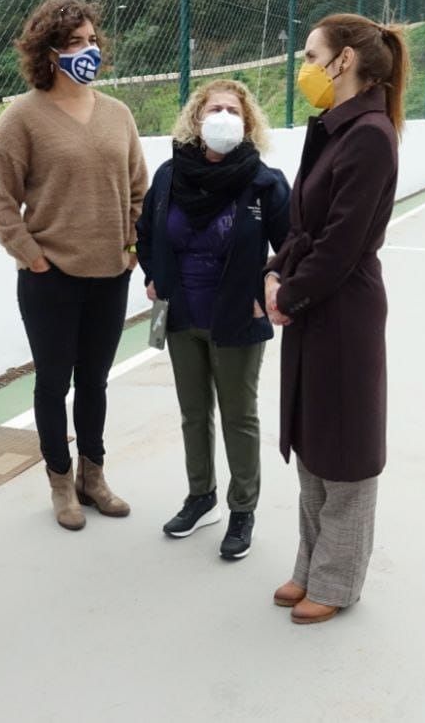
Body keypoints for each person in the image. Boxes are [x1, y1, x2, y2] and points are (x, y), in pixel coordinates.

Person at [0, 0, 147, 531]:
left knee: (95, 380)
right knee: (53, 382)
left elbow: (139, 190)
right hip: (50, 277)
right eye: (75, 43)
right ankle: (60, 483)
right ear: (48, 52)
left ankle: (92, 477)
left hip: (110, 274)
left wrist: (131, 247)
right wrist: (32, 259)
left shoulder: (118, 114)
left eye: (93, 40)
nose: (88, 51)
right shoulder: (21, 118)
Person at [264, 13, 407, 624]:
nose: (305, 66)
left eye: (310, 53)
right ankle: (310, 566)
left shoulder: (370, 134)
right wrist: (274, 273)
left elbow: (342, 245)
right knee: (315, 437)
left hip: (343, 306)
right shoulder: (332, 128)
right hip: (315, 301)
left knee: (344, 448)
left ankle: (338, 580)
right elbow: (303, 227)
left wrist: (287, 296)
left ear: (344, 60)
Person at [137, 80, 290, 559]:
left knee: (239, 417)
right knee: (192, 412)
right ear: (196, 119)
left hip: (237, 317)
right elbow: (146, 233)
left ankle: (242, 509)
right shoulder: (168, 177)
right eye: (213, 109)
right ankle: (200, 497)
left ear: (247, 124)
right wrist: (153, 275)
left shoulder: (265, 182)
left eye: (233, 111)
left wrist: (270, 283)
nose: (222, 117)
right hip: (181, 313)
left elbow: (289, 248)